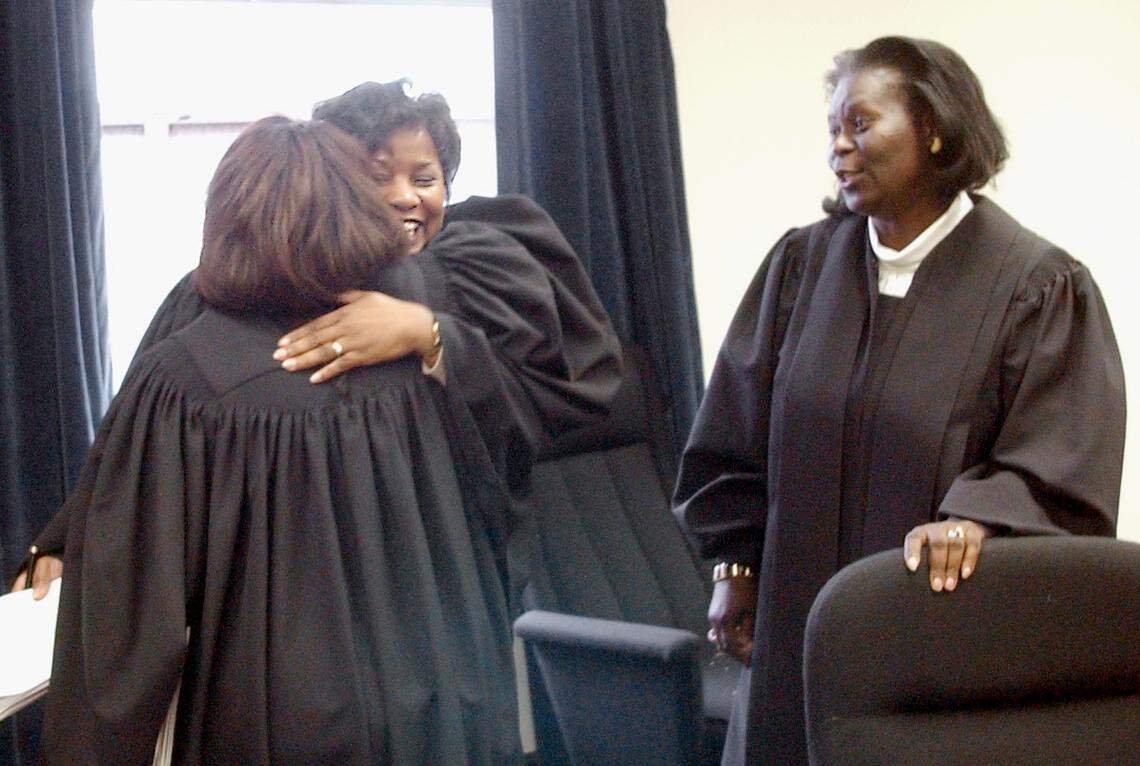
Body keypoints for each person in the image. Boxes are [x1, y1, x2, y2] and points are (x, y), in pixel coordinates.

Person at [37, 115, 613, 764]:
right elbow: (504, 489)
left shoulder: (184, 381)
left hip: (279, 725)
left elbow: (130, 632)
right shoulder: (418, 359)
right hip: (449, 710)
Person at [673, 36, 1125, 766]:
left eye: (861, 124)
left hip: (939, 650)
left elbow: (1059, 464)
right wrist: (734, 567)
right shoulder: (802, 267)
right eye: (832, 131)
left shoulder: (1035, 287)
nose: (839, 149)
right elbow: (733, 434)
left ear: (934, 128)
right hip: (793, 643)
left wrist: (980, 518)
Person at [16, 81, 622, 612]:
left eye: (425, 178)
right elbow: (140, 429)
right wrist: (70, 538)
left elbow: (550, 396)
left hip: (438, 579)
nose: (404, 197)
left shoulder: (480, 272)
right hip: (285, 585)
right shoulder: (235, 288)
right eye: (375, 175)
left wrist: (427, 332)